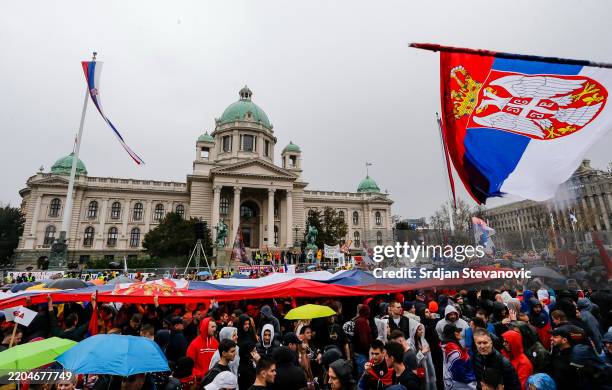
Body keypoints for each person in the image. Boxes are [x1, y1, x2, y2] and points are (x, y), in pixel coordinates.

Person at [441, 324, 477, 390]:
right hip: (461, 384)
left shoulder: (448, 345)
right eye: (457, 331)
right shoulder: (453, 349)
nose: (459, 333)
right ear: (452, 334)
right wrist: (471, 382)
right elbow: (459, 370)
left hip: (453, 381)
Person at [550, 326, 579, 390]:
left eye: (555, 337)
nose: (551, 338)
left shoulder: (573, 357)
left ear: (564, 340)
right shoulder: (557, 350)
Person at [409, 322, 436, 390]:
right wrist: (422, 352)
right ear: (414, 331)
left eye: (422, 329)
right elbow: (412, 361)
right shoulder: (409, 344)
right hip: (415, 370)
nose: (422, 331)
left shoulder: (423, 341)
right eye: (419, 330)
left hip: (425, 368)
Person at [354, 305, 373, 377]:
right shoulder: (362, 322)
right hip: (361, 353)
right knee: (363, 374)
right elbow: (363, 339)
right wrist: (368, 350)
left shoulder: (360, 320)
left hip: (360, 352)